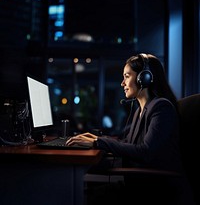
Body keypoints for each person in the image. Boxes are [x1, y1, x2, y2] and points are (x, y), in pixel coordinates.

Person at [66, 53, 195, 205]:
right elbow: (127, 142)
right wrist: (95, 140)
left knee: (86, 196)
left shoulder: (161, 108)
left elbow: (145, 151)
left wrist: (98, 142)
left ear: (144, 78)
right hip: (144, 183)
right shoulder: (140, 110)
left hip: (159, 189)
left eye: (127, 76)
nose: (122, 83)